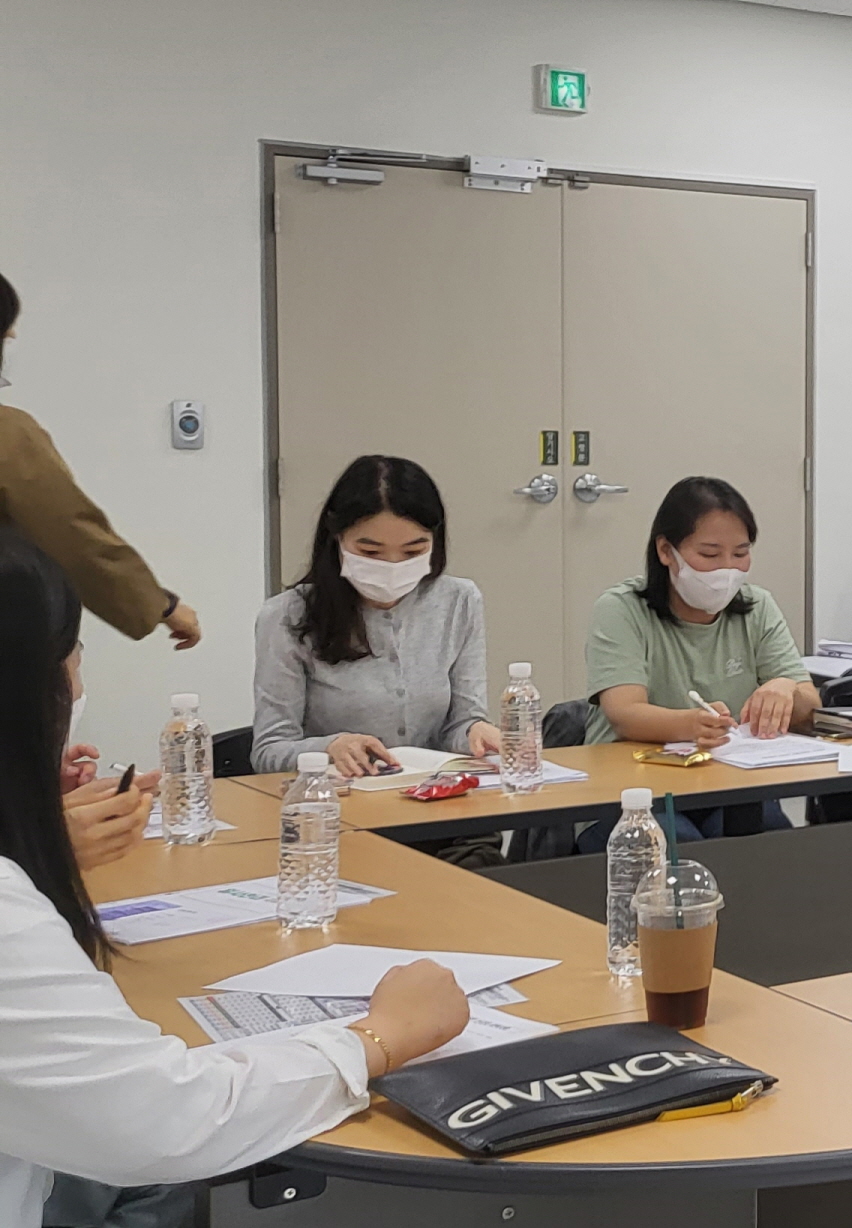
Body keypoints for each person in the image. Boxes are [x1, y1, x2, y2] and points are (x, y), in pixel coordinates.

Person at [0, 527, 468, 1228]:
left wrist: (28, 813)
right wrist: (377, 1037)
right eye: (75, 659)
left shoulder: (457, 603)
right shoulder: (292, 615)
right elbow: (167, 1122)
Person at [583, 476, 816, 842]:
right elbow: (624, 714)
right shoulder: (621, 609)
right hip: (632, 791)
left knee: (772, 840)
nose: (727, 569)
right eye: (709, 554)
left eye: (740, 554)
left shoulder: (758, 607)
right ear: (666, 551)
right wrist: (691, 725)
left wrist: (786, 689)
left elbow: (808, 701)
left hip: (729, 782)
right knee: (678, 847)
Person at [251, 456, 501, 777]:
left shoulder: (459, 601)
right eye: (370, 552)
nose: (392, 565)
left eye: (413, 551)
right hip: (340, 806)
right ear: (337, 538)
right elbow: (269, 750)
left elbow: (461, 722)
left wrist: (475, 733)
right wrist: (329, 748)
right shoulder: (287, 616)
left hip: (437, 799)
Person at [0, 274, 202, 650]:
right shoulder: (8, 434)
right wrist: (159, 604)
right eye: (6, 334)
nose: (9, 342)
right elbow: (70, 532)